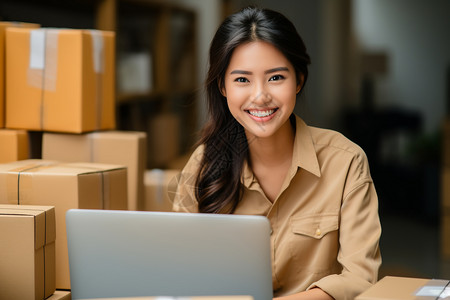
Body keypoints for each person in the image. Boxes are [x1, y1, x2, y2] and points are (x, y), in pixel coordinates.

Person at [172, 6, 382, 300]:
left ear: (299, 80)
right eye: (242, 80)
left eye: (275, 78)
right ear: (222, 86)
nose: (260, 96)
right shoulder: (204, 164)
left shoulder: (345, 162)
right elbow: (179, 270)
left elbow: (360, 278)